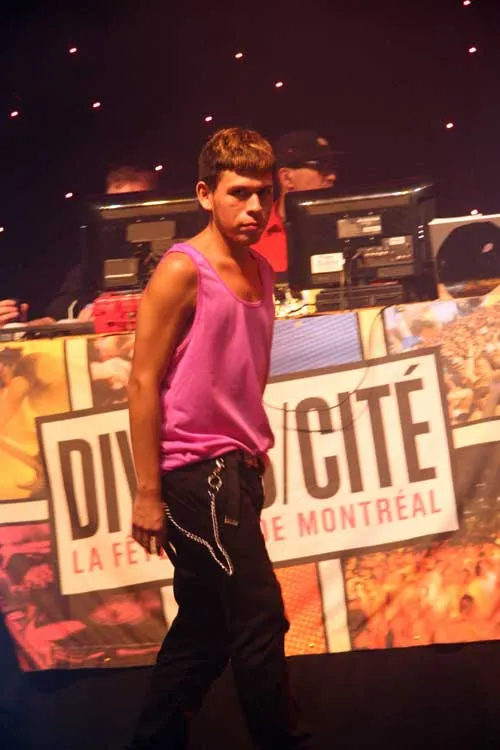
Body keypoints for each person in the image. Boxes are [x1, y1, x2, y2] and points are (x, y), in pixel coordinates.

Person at [127, 127, 313, 750]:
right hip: (195, 475)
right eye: (239, 193)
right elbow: (142, 381)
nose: (255, 208)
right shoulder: (183, 269)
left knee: (205, 630)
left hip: (234, 469)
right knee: (258, 619)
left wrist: (252, 446)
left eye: (264, 194)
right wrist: (147, 493)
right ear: (206, 194)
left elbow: (241, 374)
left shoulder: (261, 269)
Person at [44, 166, 159, 322]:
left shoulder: (179, 260)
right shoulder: (91, 267)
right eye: (115, 206)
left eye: (134, 204)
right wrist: (19, 326)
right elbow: (55, 317)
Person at [252, 130, 337, 276]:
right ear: (287, 178)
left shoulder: (344, 231)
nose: (332, 176)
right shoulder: (252, 238)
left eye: (332, 167)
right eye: (321, 168)